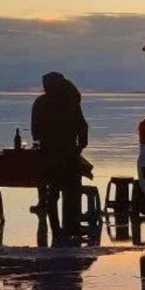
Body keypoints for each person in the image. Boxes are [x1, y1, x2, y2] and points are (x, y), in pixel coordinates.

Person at [32, 71, 89, 237]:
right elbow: (82, 125)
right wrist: (81, 146)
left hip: (49, 153)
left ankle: (56, 229)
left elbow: (35, 131)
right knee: (71, 191)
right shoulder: (70, 101)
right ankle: (71, 226)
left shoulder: (41, 102)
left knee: (53, 193)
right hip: (69, 152)